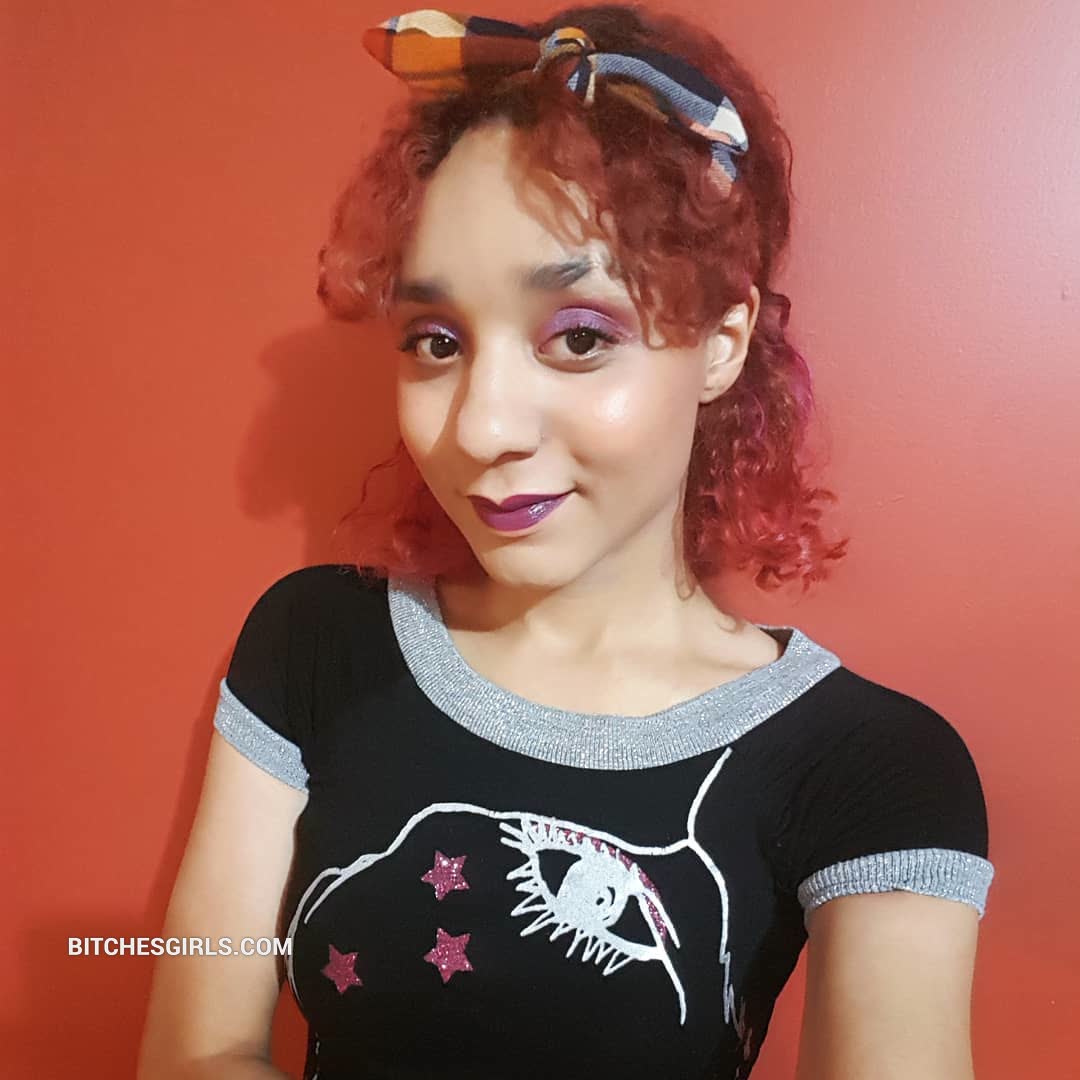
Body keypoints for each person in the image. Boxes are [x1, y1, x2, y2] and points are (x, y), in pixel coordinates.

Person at [138, 6, 995, 1078]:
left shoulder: (868, 766)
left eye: (581, 337)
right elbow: (193, 1052)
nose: (482, 428)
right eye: (436, 341)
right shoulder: (312, 645)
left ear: (721, 343)